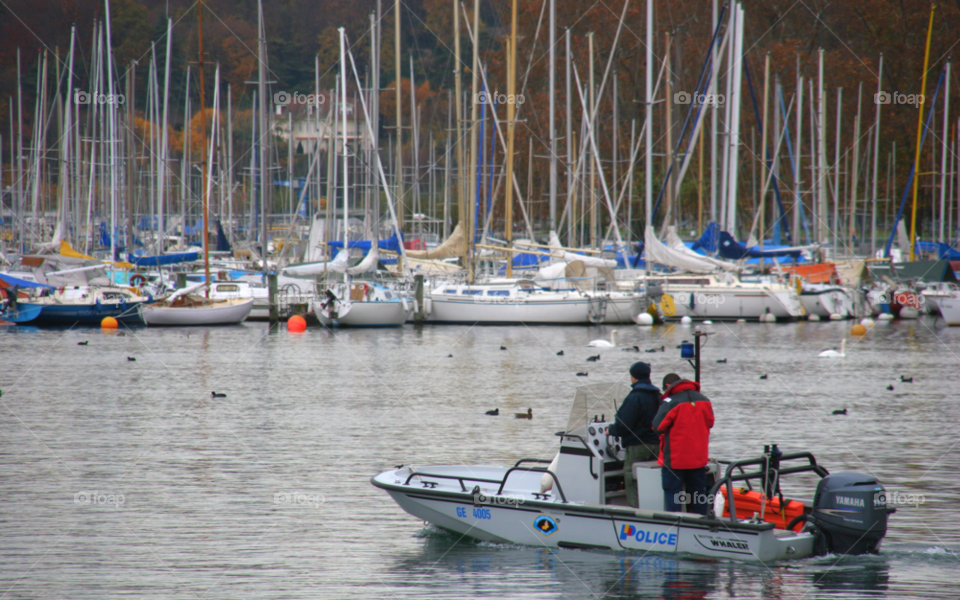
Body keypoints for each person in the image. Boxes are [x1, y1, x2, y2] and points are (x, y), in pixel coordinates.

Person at [653, 373, 714, 514]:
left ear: (667, 386)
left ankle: (675, 528)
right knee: (698, 496)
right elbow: (710, 423)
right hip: (698, 458)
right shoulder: (705, 401)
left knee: (674, 496)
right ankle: (702, 527)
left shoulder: (671, 402)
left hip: (675, 459)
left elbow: (658, 427)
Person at [607, 361, 661, 508]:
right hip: (657, 445)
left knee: (631, 478)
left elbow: (624, 424)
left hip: (638, 446)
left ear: (633, 377)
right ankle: (653, 509)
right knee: (651, 479)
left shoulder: (634, 397)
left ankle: (635, 512)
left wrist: (611, 430)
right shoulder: (657, 396)